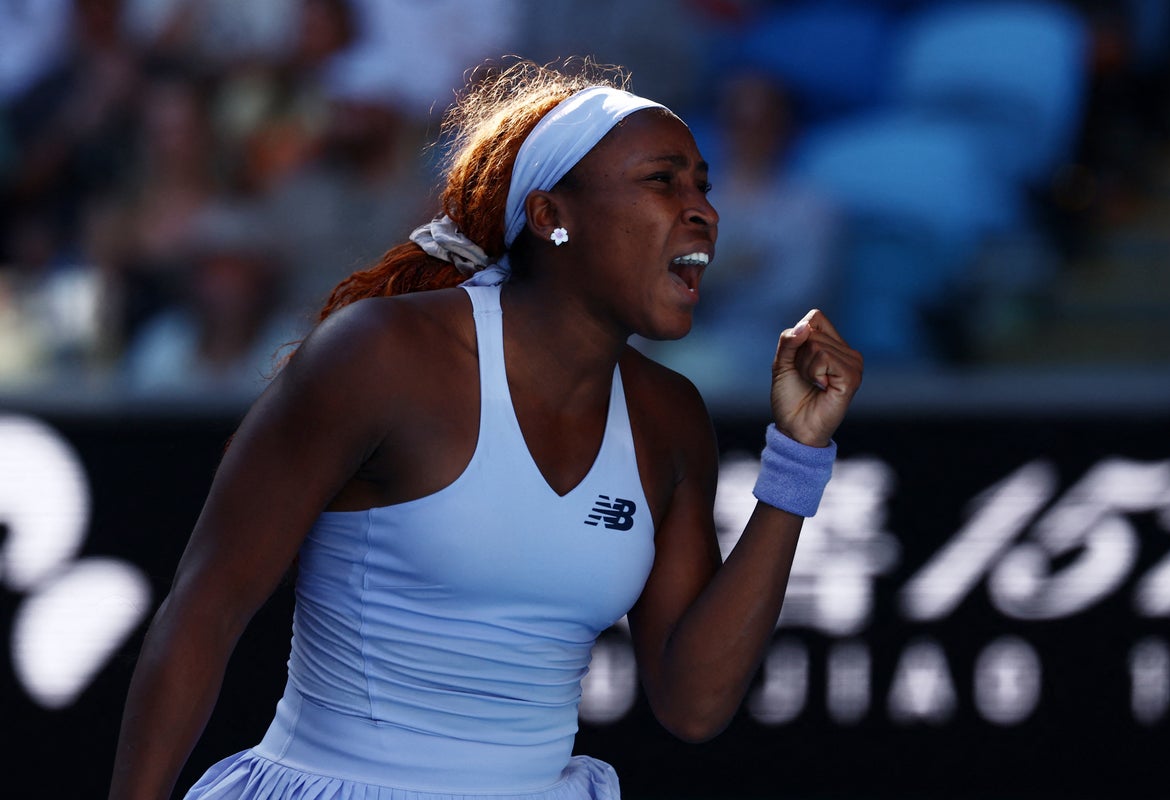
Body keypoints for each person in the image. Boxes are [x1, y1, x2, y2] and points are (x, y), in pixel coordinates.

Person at [108, 58, 863, 800]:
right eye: (662, 180)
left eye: (704, 183)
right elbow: (207, 608)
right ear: (549, 216)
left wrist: (798, 457)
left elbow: (694, 704)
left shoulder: (670, 416)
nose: (701, 208)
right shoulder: (382, 354)